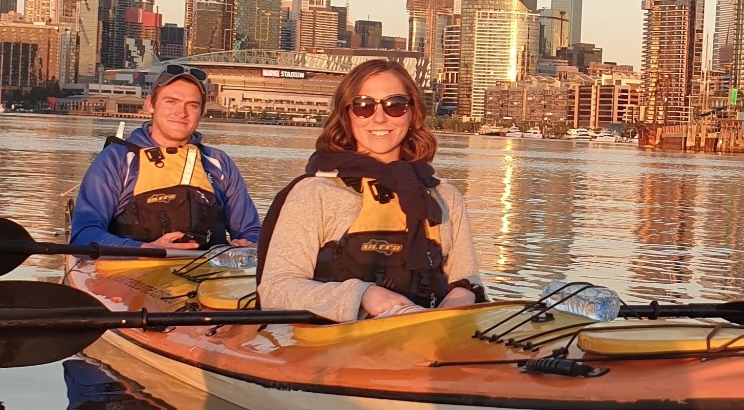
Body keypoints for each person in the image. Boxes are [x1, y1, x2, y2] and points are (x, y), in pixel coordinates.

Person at [257, 59, 483, 321]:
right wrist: (362, 296)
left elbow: (467, 276)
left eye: (395, 105)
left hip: (425, 343)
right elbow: (275, 290)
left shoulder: (445, 197)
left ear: (412, 114)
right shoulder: (314, 193)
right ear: (347, 115)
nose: (379, 117)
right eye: (363, 106)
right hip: (332, 347)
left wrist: (465, 293)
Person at [70, 64, 261, 250]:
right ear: (150, 104)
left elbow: (250, 231)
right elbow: (84, 234)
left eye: (192, 105)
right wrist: (144, 248)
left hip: (205, 273)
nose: (181, 113)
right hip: (130, 269)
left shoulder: (218, 163)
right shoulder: (117, 159)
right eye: (171, 102)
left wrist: (249, 243)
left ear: (201, 112)